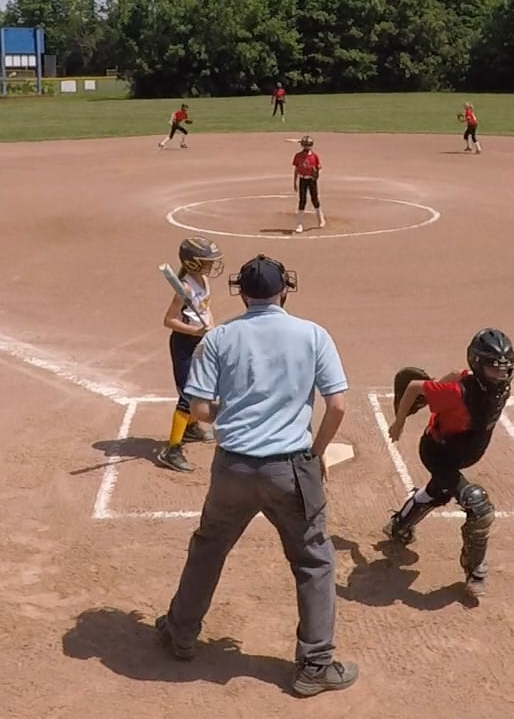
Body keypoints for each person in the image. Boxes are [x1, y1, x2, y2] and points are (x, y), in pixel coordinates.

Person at [155, 254, 357, 698]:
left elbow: (200, 410)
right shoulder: (313, 334)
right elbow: (337, 406)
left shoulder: (219, 338)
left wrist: (237, 413)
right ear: (284, 290)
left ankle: (181, 634)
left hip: (232, 468)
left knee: (208, 549)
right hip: (291, 469)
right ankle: (315, 665)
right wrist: (315, 455)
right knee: (314, 562)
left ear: (242, 293)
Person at [383, 329, 514, 600]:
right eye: (493, 369)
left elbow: (458, 373)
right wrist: (399, 421)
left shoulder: (495, 387)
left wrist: (442, 381)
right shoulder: (456, 393)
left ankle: (398, 526)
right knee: (478, 506)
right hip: (438, 453)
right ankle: (475, 571)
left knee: (439, 491)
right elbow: (414, 387)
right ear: (478, 365)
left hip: (464, 453)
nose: (500, 375)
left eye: (504, 369)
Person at [155, 236, 223, 473]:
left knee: (201, 387)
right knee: (187, 396)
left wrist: (210, 327)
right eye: (208, 261)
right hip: (184, 344)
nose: (212, 265)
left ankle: (191, 428)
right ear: (194, 263)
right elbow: (169, 320)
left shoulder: (203, 280)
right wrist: (196, 331)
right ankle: (171, 450)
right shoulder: (184, 288)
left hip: (199, 340)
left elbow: (206, 307)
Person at [292, 135, 324, 233]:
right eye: (305, 145)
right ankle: (299, 224)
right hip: (302, 180)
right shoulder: (298, 156)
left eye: (308, 145)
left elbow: (319, 168)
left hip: (311, 180)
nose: (306, 147)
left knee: (315, 199)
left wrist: (317, 175)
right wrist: (295, 182)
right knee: (302, 200)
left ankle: (320, 219)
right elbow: (296, 169)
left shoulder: (314, 156)